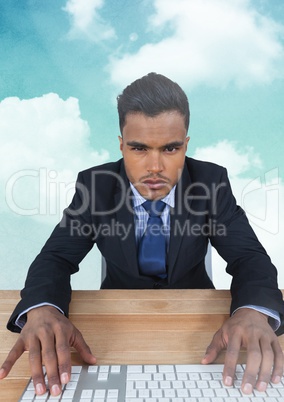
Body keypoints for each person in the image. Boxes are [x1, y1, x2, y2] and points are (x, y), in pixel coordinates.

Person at [0, 72, 283, 397]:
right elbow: (56, 257)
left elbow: (248, 256)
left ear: (185, 145)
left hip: (197, 323)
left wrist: (252, 310)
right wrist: (43, 309)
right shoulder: (96, 186)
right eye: (138, 148)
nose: (155, 166)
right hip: (115, 321)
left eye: (170, 148)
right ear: (121, 144)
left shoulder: (211, 182)